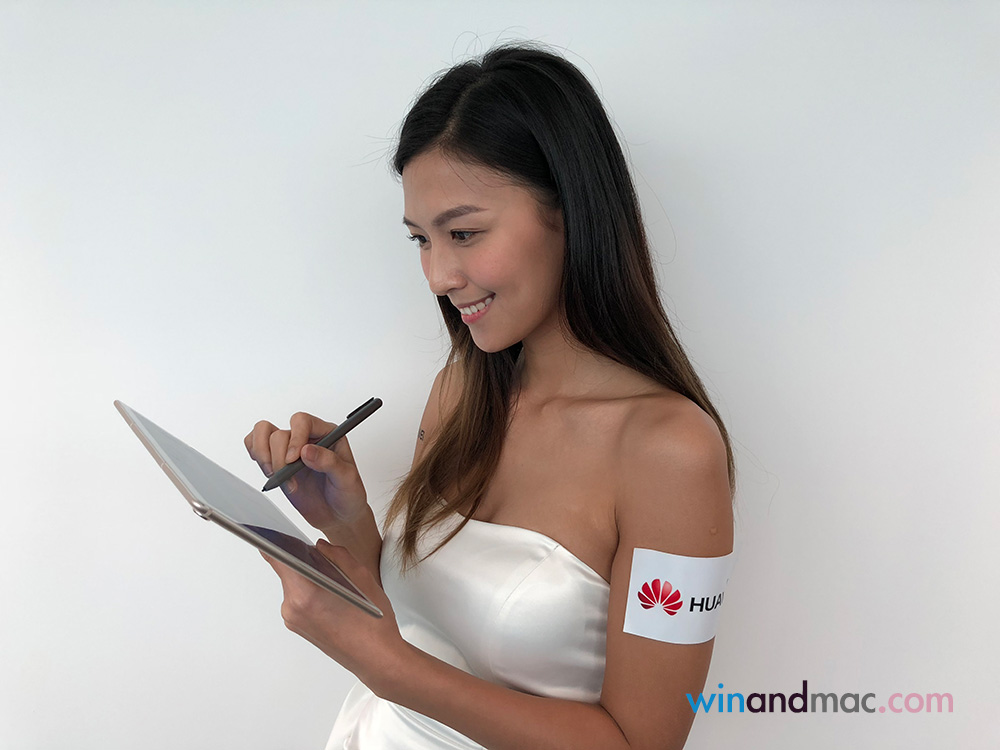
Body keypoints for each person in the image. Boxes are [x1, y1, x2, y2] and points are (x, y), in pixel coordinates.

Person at [245, 42, 736, 750]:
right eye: (421, 240)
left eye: (464, 233)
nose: (438, 275)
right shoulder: (460, 392)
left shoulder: (671, 454)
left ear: (569, 210)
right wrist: (347, 522)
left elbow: (644, 744)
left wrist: (385, 667)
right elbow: (426, 626)